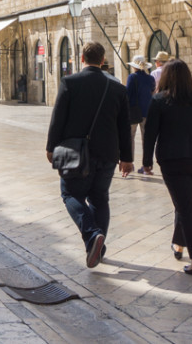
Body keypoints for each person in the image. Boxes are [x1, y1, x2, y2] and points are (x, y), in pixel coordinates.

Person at [46, 42, 132, 269]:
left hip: (76, 152)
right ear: (103, 60)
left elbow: (58, 118)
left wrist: (51, 147)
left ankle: (92, 235)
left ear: (81, 58)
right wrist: (127, 158)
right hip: (108, 154)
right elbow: (124, 126)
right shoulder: (118, 88)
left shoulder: (70, 82)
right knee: (100, 198)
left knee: (70, 194)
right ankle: (98, 250)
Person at [142, 60, 192, 277]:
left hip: (173, 161)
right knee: (184, 203)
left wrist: (147, 161)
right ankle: (178, 244)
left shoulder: (159, 100)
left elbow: (150, 133)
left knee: (186, 207)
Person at [126, 56, 156, 174]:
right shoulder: (150, 78)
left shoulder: (132, 77)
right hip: (147, 111)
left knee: (130, 138)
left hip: (133, 111)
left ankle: (130, 163)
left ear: (134, 67)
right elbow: (152, 91)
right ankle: (146, 165)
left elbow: (127, 93)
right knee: (146, 139)